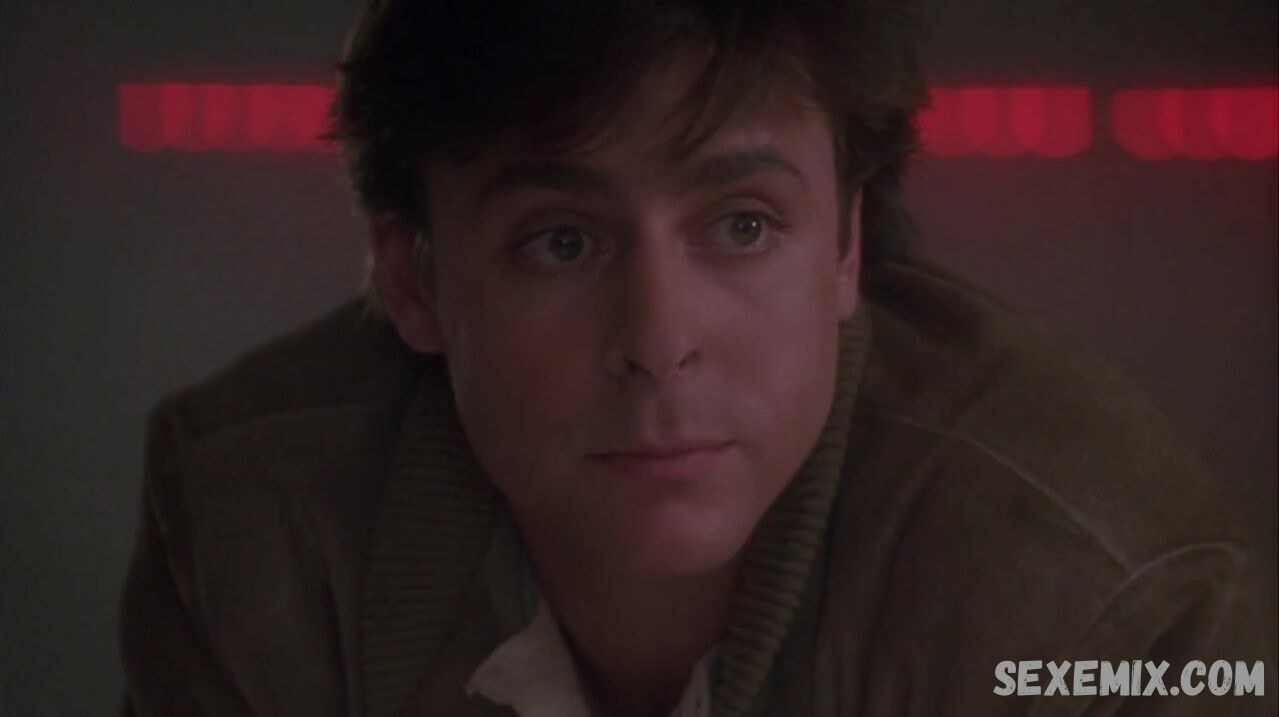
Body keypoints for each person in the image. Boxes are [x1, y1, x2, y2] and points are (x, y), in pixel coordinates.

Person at [118, 1, 1275, 715]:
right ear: (413, 279)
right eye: (559, 242)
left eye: (743, 226)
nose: (660, 343)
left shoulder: (1094, 599)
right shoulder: (252, 531)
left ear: (845, 246)